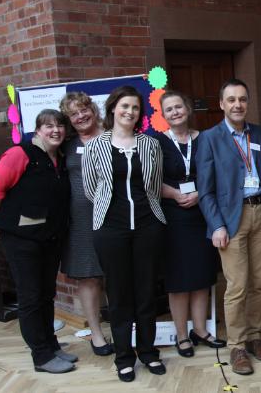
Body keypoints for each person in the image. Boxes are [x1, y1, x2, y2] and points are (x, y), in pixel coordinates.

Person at [82, 86, 166, 382]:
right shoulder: (95, 146)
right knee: (118, 295)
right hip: (111, 229)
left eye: (135, 108)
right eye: (124, 106)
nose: (129, 112)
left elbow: (154, 187)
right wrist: (113, 213)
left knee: (146, 292)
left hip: (147, 226)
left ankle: (148, 352)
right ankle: (124, 357)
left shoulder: (151, 145)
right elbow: (92, 190)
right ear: (113, 108)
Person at [197, 79, 261, 376]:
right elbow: (204, 190)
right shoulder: (210, 138)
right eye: (231, 100)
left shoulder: (260, 134)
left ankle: (255, 337)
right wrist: (216, 225)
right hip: (231, 220)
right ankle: (237, 346)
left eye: (242, 99)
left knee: (259, 282)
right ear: (221, 104)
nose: (237, 105)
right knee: (237, 286)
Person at [0, 109, 76, 373]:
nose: (55, 130)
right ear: (38, 130)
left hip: (50, 238)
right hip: (22, 239)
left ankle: (51, 345)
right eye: (49, 126)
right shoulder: (20, 153)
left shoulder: (58, 157)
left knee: (47, 294)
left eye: (59, 125)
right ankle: (41, 356)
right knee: (31, 296)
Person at [153, 90, 225, 358]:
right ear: (164, 115)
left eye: (179, 107)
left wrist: (200, 194)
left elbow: (217, 171)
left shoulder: (205, 139)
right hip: (173, 217)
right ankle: (182, 335)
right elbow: (149, 179)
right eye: (169, 109)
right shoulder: (157, 143)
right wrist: (175, 194)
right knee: (179, 279)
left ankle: (201, 330)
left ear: (188, 109)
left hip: (202, 214)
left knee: (202, 275)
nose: (175, 112)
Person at [58, 92, 113, 357]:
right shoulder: (66, 145)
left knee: (118, 274)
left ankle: (127, 329)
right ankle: (97, 333)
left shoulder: (114, 134)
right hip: (80, 221)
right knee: (88, 276)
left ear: (93, 109)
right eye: (73, 114)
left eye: (84, 109)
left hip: (115, 216)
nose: (81, 116)